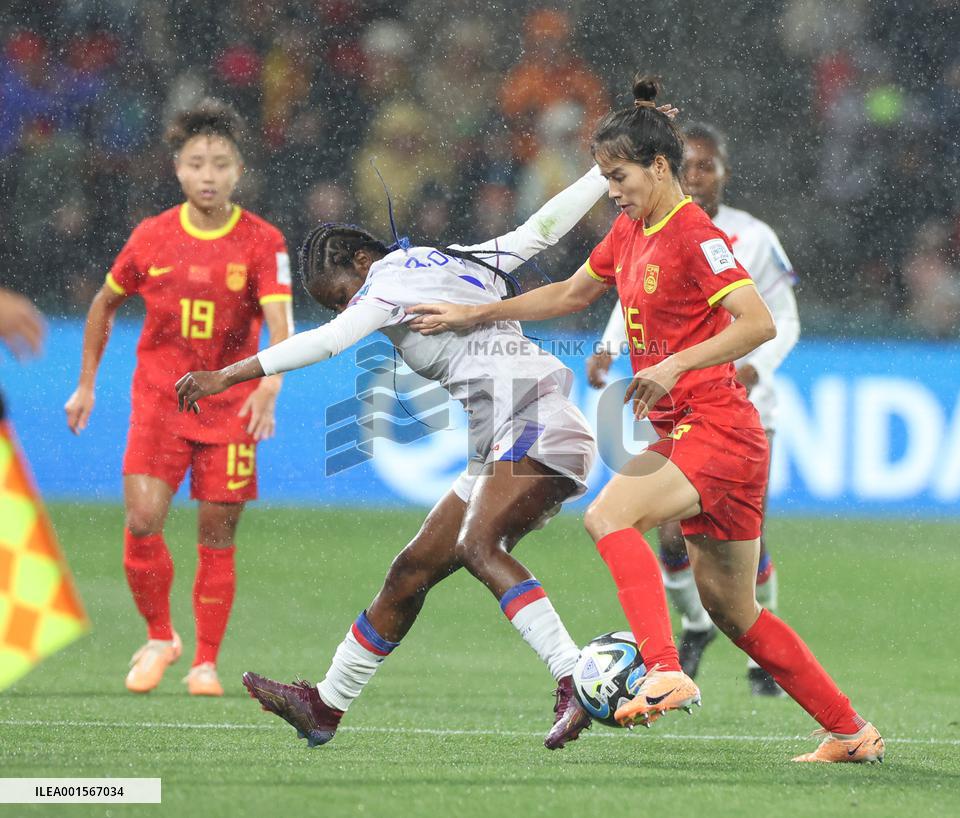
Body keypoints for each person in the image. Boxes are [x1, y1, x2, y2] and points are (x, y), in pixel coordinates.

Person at [408, 77, 884, 764]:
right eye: (605, 177)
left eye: (619, 175)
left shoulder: (695, 233)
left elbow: (755, 323)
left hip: (717, 426)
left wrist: (669, 366)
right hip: (704, 434)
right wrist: (473, 313)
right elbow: (573, 290)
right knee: (736, 613)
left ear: (660, 167)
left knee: (608, 516)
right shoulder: (632, 230)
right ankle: (850, 732)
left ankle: (663, 668)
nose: (611, 190)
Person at [174, 162, 616, 750]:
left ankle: (574, 679)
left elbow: (328, 342)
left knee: (480, 546)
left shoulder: (382, 286)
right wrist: (599, 172)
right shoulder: (455, 256)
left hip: (537, 421)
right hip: (502, 439)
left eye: (342, 296)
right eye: (337, 306)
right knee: (410, 572)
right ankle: (325, 706)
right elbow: (540, 229)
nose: (346, 310)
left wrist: (227, 374)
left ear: (361, 262)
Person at [64, 99, 294, 697]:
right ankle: (162, 636)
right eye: (197, 163)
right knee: (143, 521)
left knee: (216, 535)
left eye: (220, 163)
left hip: (230, 406)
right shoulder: (152, 236)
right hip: (160, 404)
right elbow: (103, 305)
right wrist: (86, 383)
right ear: (178, 170)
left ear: (239, 170)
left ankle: (205, 662)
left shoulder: (263, 241)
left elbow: (281, 321)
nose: (209, 175)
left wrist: (270, 382)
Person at [586, 122, 800, 695]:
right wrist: (610, 346)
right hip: (676, 404)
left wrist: (759, 365)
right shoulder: (644, 224)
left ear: (723, 171)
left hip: (741, 403)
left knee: (743, 542)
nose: (700, 175)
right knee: (674, 538)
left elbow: (777, 317)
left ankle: (753, 661)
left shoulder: (749, 236)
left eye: (709, 166)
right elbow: (637, 297)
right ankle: (695, 626)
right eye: (694, 165)